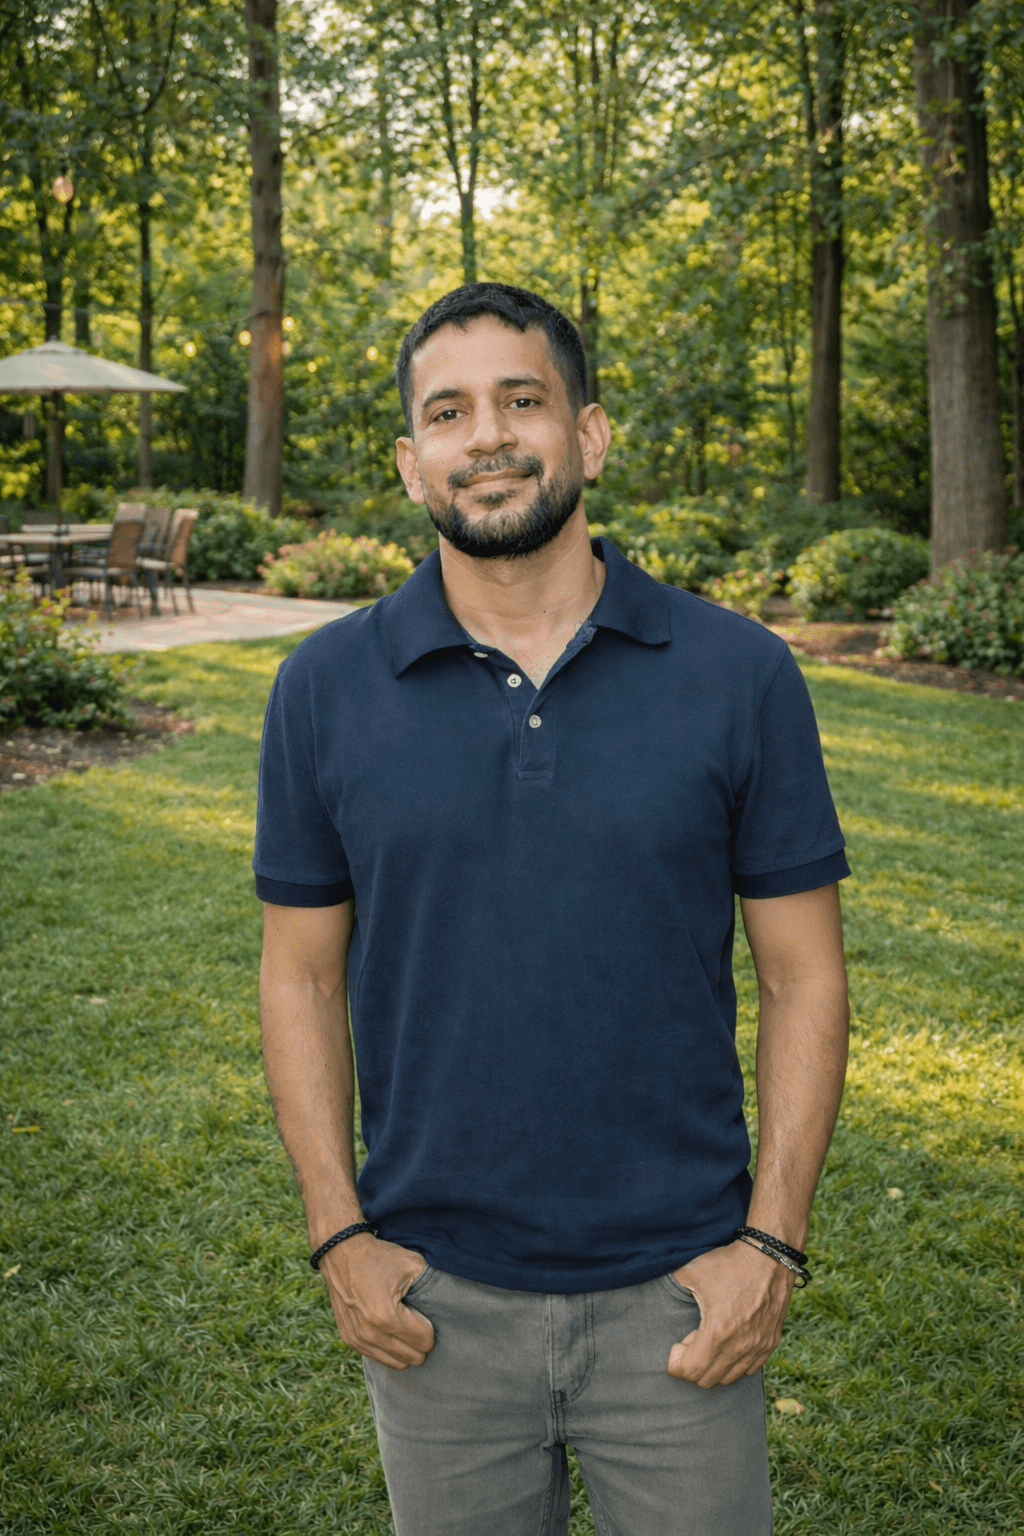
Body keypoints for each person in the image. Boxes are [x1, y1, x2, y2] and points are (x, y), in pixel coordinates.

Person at [254, 282, 850, 1535]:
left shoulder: (740, 674)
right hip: (433, 1304)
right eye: (450, 411)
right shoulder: (322, 688)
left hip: (684, 1293)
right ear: (412, 460)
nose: (489, 437)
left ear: (588, 433)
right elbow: (299, 977)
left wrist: (769, 1250)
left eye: (521, 400)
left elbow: (803, 975)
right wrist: (340, 1239)